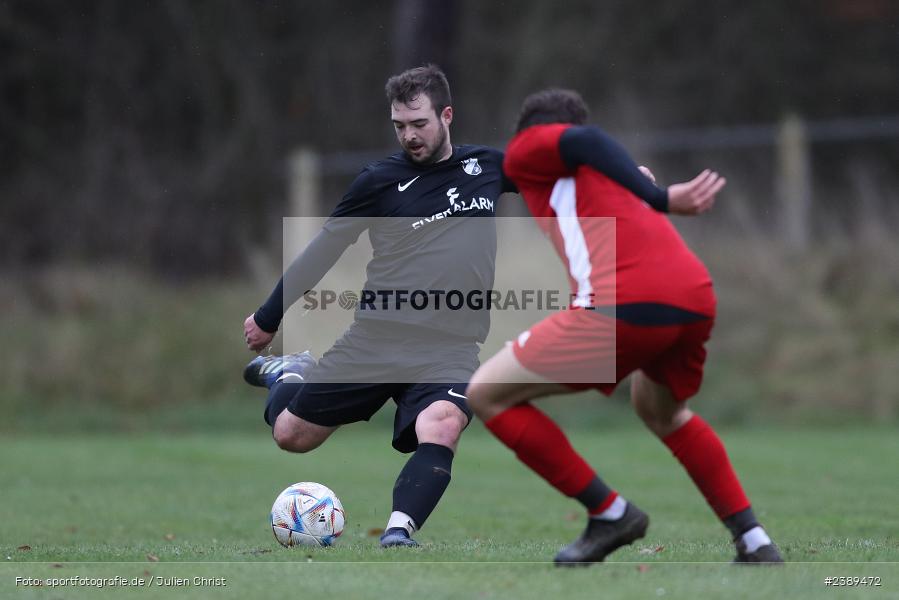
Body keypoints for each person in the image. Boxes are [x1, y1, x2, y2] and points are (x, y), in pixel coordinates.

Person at [465, 88, 782, 565]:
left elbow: (582, 139)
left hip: (625, 305)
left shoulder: (531, 149)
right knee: (662, 411)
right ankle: (753, 539)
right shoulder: (603, 175)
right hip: (693, 297)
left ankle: (611, 513)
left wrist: (660, 196)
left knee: (485, 392)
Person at [242, 64, 517, 547]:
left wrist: (626, 182)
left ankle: (398, 531)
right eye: (399, 126)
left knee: (443, 423)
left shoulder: (487, 166)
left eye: (419, 123)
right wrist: (269, 316)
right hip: (377, 337)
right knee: (292, 436)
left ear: (446, 115)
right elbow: (322, 250)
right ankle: (290, 375)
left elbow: (558, 175)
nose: (409, 136)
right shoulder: (378, 182)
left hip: (449, 347)